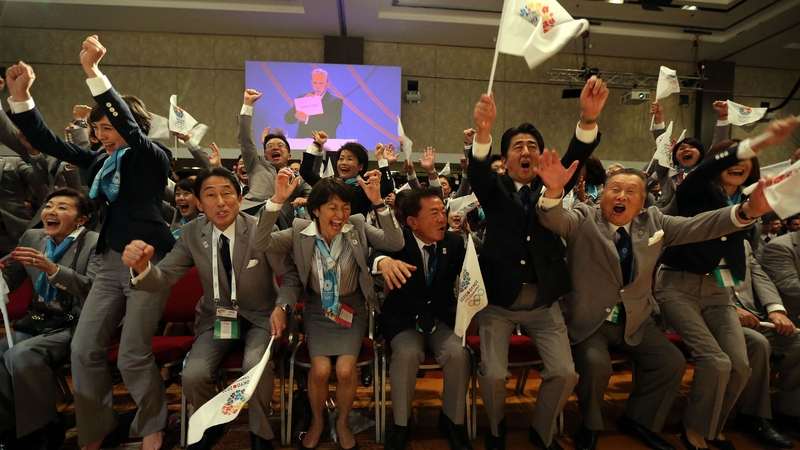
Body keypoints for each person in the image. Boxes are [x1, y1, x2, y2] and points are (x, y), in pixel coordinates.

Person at [5, 36, 176, 450]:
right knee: (83, 351)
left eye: (109, 127)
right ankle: (96, 432)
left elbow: (131, 128)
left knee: (133, 355)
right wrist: (22, 98)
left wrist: (94, 73)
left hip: (147, 265)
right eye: (97, 128)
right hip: (107, 264)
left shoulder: (153, 156)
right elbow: (48, 143)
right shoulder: (100, 162)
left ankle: (153, 426)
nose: (102, 135)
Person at [535, 161, 771, 450]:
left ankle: (639, 420)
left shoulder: (654, 222)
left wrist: (745, 212)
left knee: (671, 363)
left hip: (637, 319)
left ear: (642, 201)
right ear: (603, 195)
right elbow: (554, 219)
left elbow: (698, 225)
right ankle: (590, 423)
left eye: (631, 191)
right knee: (597, 365)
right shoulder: (584, 218)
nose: (621, 196)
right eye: (615, 189)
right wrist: (554, 191)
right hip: (590, 320)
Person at [467, 75, 607, 450]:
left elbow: (576, 159)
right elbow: (477, 171)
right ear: (505, 157)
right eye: (516, 146)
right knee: (494, 375)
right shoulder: (493, 189)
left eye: (532, 145)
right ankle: (496, 429)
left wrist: (588, 120)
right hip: (498, 302)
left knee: (565, 373)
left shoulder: (553, 185)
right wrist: (484, 131)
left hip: (545, 303)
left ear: (543, 156)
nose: (525, 151)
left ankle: (541, 431)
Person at [122, 167, 302, 450]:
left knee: (253, 367)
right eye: (210, 195)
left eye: (227, 193)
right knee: (193, 375)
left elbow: (290, 274)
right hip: (217, 317)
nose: (220, 202)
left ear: (239, 198)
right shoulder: (191, 233)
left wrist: (282, 306)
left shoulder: (259, 229)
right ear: (198, 203)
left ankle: (261, 432)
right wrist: (142, 267)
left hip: (261, 317)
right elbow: (165, 275)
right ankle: (212, 422)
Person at [655, 116, 799, 450]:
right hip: (680, 286)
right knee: (715, 361)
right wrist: (758, 141)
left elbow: (747, 258)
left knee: (740, 366)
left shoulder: (753, 199)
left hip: (721, 292)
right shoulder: (694, 191)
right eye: (735, 159)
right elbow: (705, 170)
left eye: (748, 161)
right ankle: (693, 431)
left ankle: (712, 426)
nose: (741, 164)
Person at [252, 170, 403, 450]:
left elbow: (395, 243)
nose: (341, 214)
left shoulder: (357, 226)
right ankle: (318, 422)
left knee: (346, 369)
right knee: (320, 369)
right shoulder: (299, 231)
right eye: (332, 207)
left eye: (345, 207)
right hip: (318, 310)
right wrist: (276, 201)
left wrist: (379, 204)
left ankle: (343, 422)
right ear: (315, 210)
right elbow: (260, 242)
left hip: (352, 308)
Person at [369, 188, 472, 450]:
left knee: (459, 354)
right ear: (412, 222)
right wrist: (382, 262)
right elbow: (372, 253)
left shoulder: (454, 242)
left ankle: (452, 421)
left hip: (440, 319)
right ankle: (401, 425)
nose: (442, 219)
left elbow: (472, 273)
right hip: (404, 320)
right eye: (434, 213)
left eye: (443, 212)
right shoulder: (398, 242)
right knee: (406, 356)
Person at [0, 188, 99, 450]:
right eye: (49, 206)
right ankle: (9, 428)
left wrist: (53, 270)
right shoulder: (32, 236)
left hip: (77, 322)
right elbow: (11, 277)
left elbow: (94, 290)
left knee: (20, 354)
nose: (51, 211)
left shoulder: (95, 243)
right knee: (2, 351)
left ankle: (43, 429)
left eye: (63, 207)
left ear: (81, 220)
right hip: (41, 319)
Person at [731, 240, 797, 449]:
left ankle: (790, 411)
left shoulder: (743, 243)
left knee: (798, 342)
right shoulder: (692, 237)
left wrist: (775, 309)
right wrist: (729, 308)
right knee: (758, 344)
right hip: (713, 313)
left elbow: (760, 277)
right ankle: (753, 416)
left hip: (757, 315)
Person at [239, 89, 312, 221]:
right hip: (253, 217)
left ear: (289, 156)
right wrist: (247, 104)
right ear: (265, 155)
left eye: (280, 145)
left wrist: (305, 199)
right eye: (269, 146)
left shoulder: (297, 178)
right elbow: (245, 140)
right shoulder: (255, 164)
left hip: (281, 223)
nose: (275, 148)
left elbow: (313, 192)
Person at [299, 131, 394, 218]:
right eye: (341, 158)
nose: (344, 163)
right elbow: (305, 171)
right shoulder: (330, 185)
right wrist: (316, 144)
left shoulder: (364, 188)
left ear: (360, 166)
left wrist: (381, 158)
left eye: (349, 159)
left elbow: (387, 187)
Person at [284, 68, 343, 139]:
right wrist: (297, 111)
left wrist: (307, 119)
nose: (317, 86)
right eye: (315, 83)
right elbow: (288, 119)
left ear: (327, 84)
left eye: (321, 83)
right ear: (311, 82)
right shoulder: (303, 97)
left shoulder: (335, 101)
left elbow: (331, 126)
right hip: (302, 143)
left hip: (324, 143)